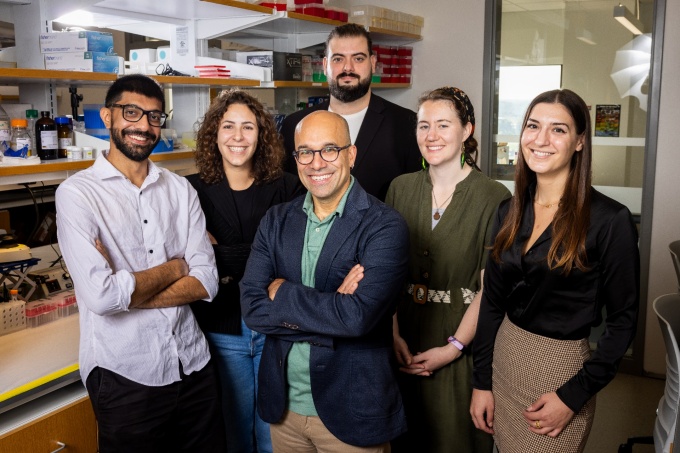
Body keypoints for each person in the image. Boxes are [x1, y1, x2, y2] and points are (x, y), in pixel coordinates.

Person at [55, 74, 225, 453]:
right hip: (125, 373)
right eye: (132, 112)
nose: (144, 126)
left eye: (154, 116)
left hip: (192, 363)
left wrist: (125, 290)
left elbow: (208, 281)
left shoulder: (180, 189)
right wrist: (177, 267)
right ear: (107, 116)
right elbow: (100, 299)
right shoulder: (77, 195)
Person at [470, 89, 640, 453]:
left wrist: (573, 396)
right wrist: (480, 382)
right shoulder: (509, 210)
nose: (541, 140)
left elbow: (623, 320)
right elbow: (491, 304)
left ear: (580, 142)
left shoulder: (610, 221)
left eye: (558, 130)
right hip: (505, 360)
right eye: (533, 126)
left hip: (559, 375)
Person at [240, 110, 409, 452]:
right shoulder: (276, 220)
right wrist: (336, 310)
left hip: (351, 410)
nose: (316, 163)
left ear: (351, 154)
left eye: (329, 149)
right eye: (305, 151)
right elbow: (253, 309)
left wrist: (282, 292)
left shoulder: (385, 226)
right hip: (284, 411)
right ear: (296, 157)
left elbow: (358, 318)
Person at [386, 87, 510, 453]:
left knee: (452, 439)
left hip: (461, 341)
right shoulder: (399, 188)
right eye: (424, 126)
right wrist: (392, 335)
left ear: (466, 130)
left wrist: (453, 348)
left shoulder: (494, 197)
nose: (431, 136)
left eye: (443, 125)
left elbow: (491, 290)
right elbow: (387, 273)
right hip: (401, 337)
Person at [187, 89, 304, 453]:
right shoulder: (190, 190)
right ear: (214, 134)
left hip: (275, 327)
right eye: (228, 126)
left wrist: (220, 254)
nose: (238, 137)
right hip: (220, 330)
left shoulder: (287, 187)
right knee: (233, 436)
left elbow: (294, 257)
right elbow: (191, 263)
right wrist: (261, 254)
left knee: (274, 437)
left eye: (248, 127)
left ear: (262, 135)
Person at [280, 23, 421, 201]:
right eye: (338, 59)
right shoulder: (294, 124)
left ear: (372, 63)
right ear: (325, 65)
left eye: (358, 58)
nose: (348, 68)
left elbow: (415, 196)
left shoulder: (405, 123)